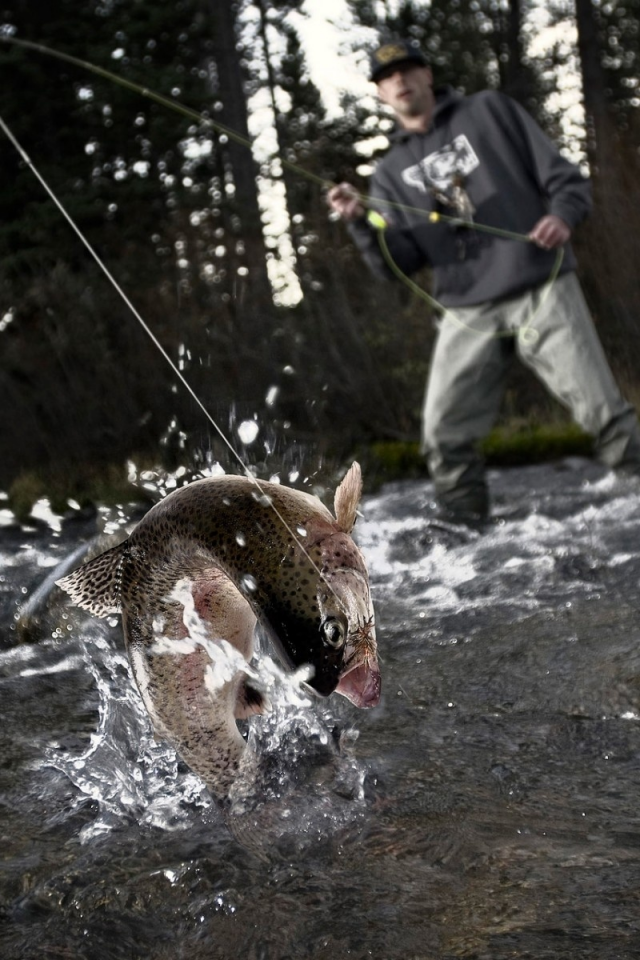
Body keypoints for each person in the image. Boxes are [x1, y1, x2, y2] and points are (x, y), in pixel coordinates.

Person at [327, 38, 640, 523]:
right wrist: (359, 222)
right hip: (466, 309)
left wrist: (562, 216)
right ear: (381, 94)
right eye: (387, 78)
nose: (400, 81)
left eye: (408, 70)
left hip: (540, 284)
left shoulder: (490, 112)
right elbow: (399, 263)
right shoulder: (389, 174)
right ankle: (467, 545)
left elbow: (566, 180)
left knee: (607, 416)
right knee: (444, 440)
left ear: (427, 75)